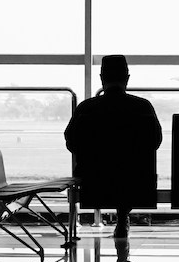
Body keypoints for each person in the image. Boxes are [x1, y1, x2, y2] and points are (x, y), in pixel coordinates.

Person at [64, 55, 162, 238]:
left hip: (94, 182)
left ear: (102, 78)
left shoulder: (86, 108)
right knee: (127, 171)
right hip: (137, 183)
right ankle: (123, 216)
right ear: (127, 78)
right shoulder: (143, 107)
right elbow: (155, 141)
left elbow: (71, 142)